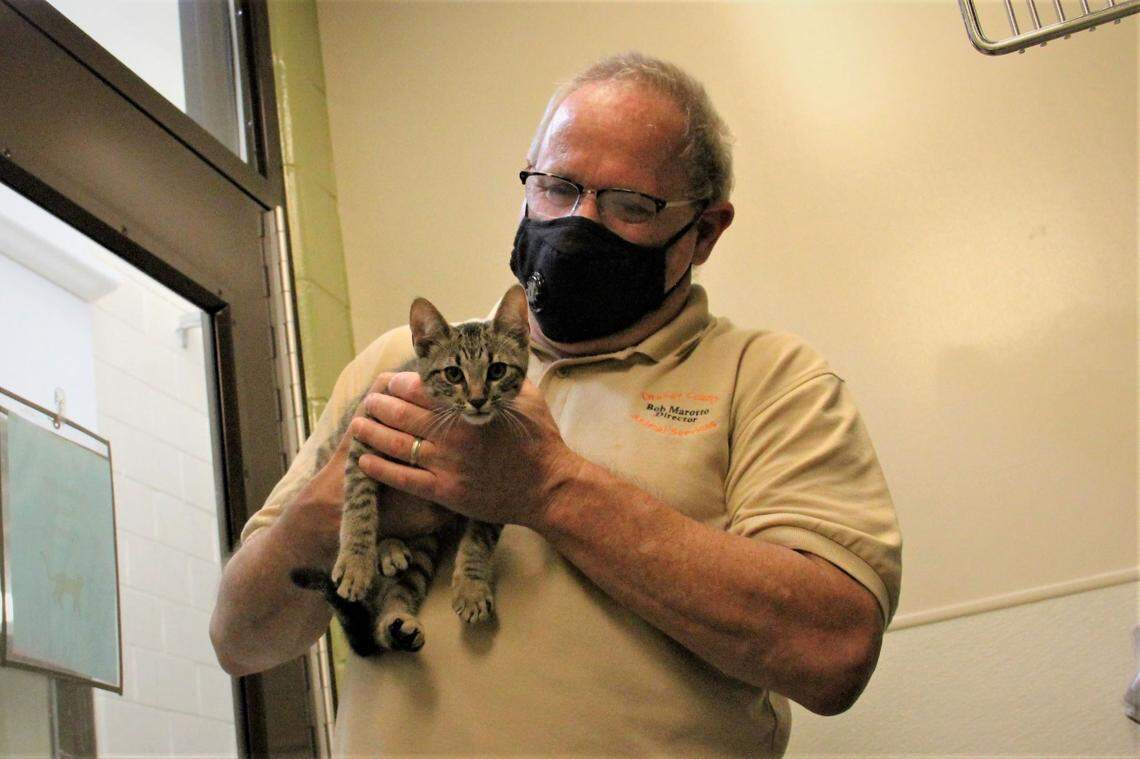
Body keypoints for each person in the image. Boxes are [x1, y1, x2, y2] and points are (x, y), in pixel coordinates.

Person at [211, 52, 902, 756]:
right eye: (557, 186)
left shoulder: (770, 378)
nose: (579, 222)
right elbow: (239, 636)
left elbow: (833, 650)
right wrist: (343, 506)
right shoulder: (399, 365)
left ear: (705, 231)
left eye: (629, 204)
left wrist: (548, 487)